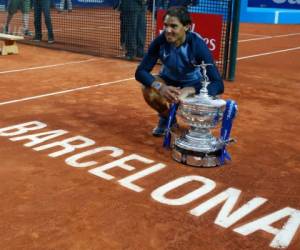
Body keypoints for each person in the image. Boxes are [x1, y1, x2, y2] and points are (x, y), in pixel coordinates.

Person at [135, 6, 224, 136]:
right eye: (165, 25)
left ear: (187, 27)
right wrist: (161, 87)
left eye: (174, 26)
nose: (167, 30)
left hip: (193, 83)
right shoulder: (160, 42)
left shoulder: (197, 45)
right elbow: (140, 72)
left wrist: (191, 89)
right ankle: (167, 119)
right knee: (148, 89)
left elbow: (218, 83)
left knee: (212, 96)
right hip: (168, 81)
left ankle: (197, 127)